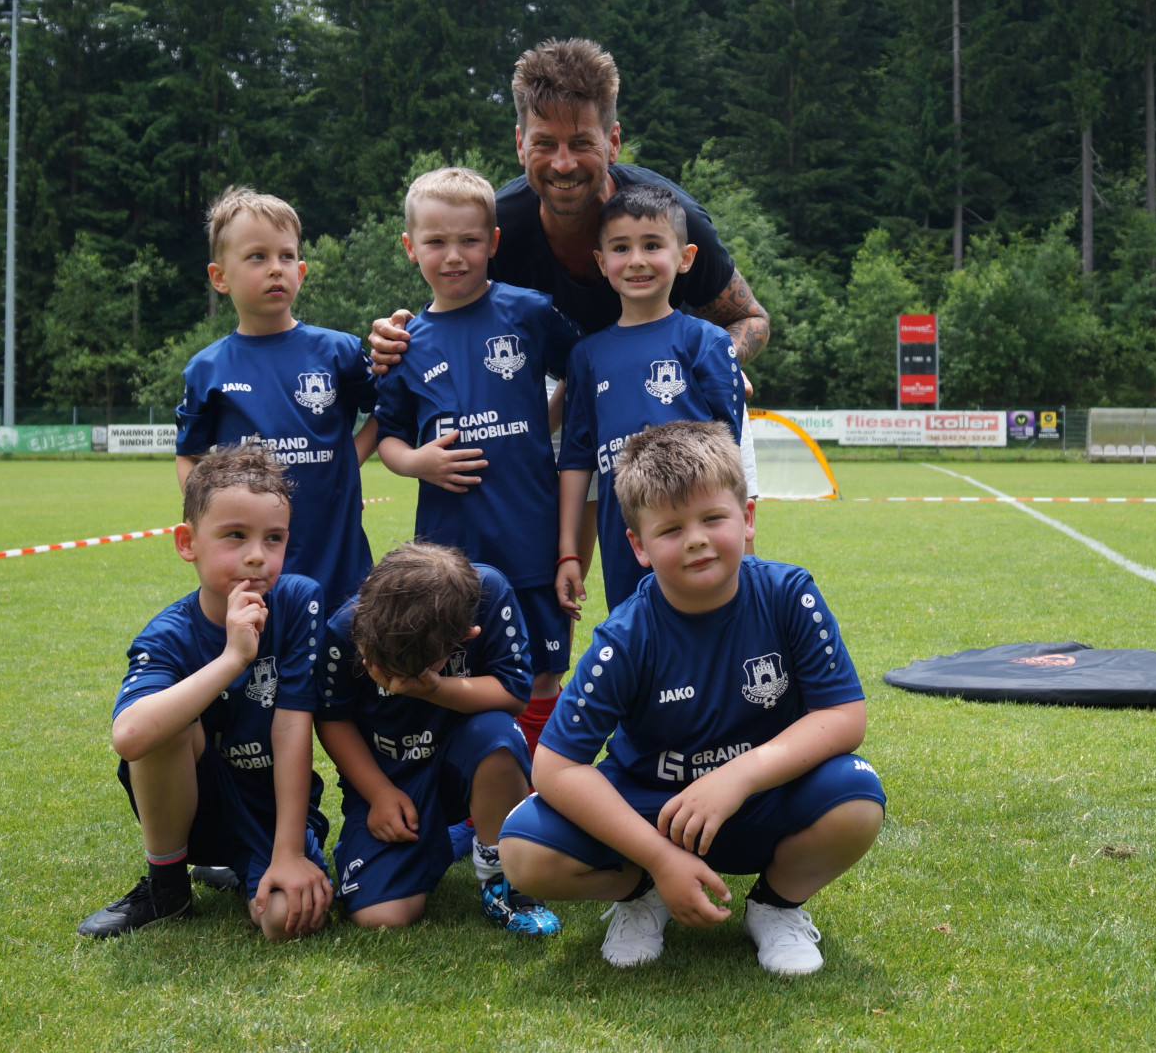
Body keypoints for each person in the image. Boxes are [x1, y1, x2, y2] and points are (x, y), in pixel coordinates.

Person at [500, 420, 885, 976]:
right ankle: (640, 893)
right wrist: (658, 858)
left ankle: (776, 905)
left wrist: (738, 777)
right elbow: (555, 767)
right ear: (638, 546)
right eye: (672, 528)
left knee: (857, 796)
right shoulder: (626, 637)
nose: (697, 539)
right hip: (653, 811)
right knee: (523, 852)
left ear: (747, 518)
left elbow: (844, 716)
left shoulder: (788, 596)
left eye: (713, 518)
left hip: (761, 799)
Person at [366, 39, 771, 567]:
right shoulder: (502, 227)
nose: (562, 163)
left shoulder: (667, 217)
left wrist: (714, 361)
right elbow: (456, 305)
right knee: (561, 571)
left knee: (725, 569)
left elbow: (750, 318)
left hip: (678, 393)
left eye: (581, 142)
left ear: (613, 140)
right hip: (565, 390)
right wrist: (398, 332)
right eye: (544, 142)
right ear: (520, 144)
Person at [78, 445, 334, 941]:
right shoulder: (167, 635)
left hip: (270, 811)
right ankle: (168, 887)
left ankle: (245, 861)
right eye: (235, 535)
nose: (257, 555)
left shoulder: (298, 600)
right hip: (195, 811)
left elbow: (290, 727)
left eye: (273, 538)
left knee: (285, 921)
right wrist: (233, 658)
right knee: (164, 726)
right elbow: (130, 737)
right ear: (187, 543)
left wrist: (288, 853)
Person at [371, 167, 581, 752]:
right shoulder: (404, 344)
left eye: (469, 240)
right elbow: (387, 436)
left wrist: (541, 423)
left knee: (540, 674)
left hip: (529, 537)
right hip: (448, 551)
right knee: (454, 667)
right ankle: (474, 783)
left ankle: (538, 784)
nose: (453, 255)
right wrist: (417, 463)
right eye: (436, 241)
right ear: (411, 247)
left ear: (493, 242)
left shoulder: (528, 312)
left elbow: (583, 368)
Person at [315, 542, 561, 935]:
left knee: (496, 735)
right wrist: (378, 794)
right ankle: (431, 841)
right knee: (382, 916)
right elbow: (332, 718)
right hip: (391, 775)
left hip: (463, 758)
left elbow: (514, 694)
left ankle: (503, 879)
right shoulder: (346, 626)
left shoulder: (488, 594)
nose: (397, 681)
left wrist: (433, 688)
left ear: (465, 635)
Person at [177, 186, 382, 609]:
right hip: (255, 575)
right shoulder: (207, 369)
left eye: (286, 256)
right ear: (220, 277)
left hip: (341, 568)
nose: (276, 268)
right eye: (257, 257)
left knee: (346, 649)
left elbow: (387, 408)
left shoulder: (338, 351)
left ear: (301, 271)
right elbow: (189, 455)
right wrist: (212, 514)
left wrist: (349, 457)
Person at [555, 184, 742, 615]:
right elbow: (576, 461)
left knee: (709, 634)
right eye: (621, 247)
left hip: (697, 542)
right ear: (601, 262)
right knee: (637, 637)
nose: (636, 259)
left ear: (685, 257)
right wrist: (568, 552)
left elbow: (730, 459)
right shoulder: (586, 356)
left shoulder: (707, 342)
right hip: (625, 544)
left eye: (652, 245)